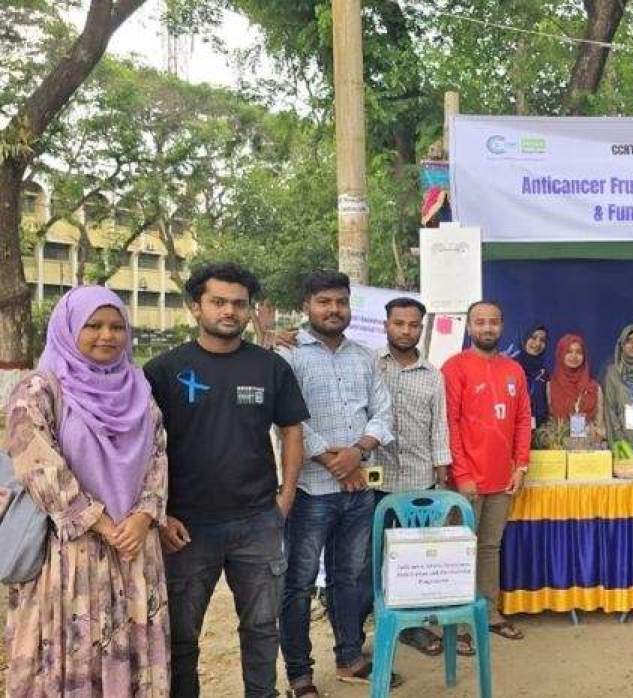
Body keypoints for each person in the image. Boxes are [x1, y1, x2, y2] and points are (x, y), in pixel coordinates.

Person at [146, 263, 309, 698]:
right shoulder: (163, 370)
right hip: (185, 527)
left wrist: (286, 497)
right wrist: (158, 514)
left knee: (260, 629)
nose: (230, 311)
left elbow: (292, 431)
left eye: (239, 303)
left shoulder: (270, 368)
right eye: (218, 301)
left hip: (258, 520)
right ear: (196, 306)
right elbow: (140, 447)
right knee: (180, 636)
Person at [4, 286, 170, 696]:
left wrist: (144, 514)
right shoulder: (38, 389)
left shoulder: (139, 389)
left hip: (133, 548)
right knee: (70, 657)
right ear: (67, 328)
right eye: (93, 326)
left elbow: (158, 455)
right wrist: (97, 520)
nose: (107, 336)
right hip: (68, 554)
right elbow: (36, 462)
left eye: (116, 326)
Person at [278, 270, 395, 695]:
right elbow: (289, 420)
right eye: (324, 301)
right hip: (311, 491)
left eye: (340, 302)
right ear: (307, 304)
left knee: (351, 578)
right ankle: (299, 673)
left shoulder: (364, 356)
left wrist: (358, 452)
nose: (333, 310)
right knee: (300, 582)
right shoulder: (287, 356)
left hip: (358, 489)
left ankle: (350, 657)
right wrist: (335, 460)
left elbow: (383, 413)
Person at [370, 296, 458, 657]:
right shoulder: (370, 365)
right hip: (377, 483)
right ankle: (379, 620)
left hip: (420, 482)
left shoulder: (433, 375)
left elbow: (439, 429)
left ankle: (416, 627)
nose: (406, 331)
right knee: (375, 558)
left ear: (422, 329)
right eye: (399, 323)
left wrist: (441, 479)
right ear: (386, 325)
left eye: (413, 325)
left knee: (417, 561)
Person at [443, 300, 533, 641]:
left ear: (502, 326)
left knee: (490, 548)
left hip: (502, 479)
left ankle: (489, 613)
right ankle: (459, 622)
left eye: (493, 322)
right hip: (465, 481)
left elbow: (523, 420)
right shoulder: (454, 368)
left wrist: (521, 465)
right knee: (460, 548)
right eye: (480, 322)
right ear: (468, 327)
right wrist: (462, 474)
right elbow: (449, 424)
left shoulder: (514, 370)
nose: (487, 328)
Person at [547, 333, 603, 434]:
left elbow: (600, 424)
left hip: (589, 446)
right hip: (558, 446)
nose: (574, 356)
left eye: (579, 352)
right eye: (569, 351)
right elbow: (547, 423)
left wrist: (593, 432)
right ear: (561, 354)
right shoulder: (550, 387)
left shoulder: (594, 387)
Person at [515, 324, 551, 428]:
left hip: (538, 433)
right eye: (533, 337)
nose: (537, 343)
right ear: (525, 338)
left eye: (542, 340)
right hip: (512, 430)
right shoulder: (511, 368)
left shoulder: (544, 373)